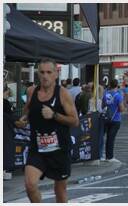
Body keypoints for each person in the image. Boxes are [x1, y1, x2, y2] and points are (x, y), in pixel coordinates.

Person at [18, 58, 79, 203]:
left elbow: (75, 121)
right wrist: (24, 119)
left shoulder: (63, 93)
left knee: (60, 191)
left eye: (49, 72)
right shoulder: (32, 91)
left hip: (59, 150)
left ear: (56, 74)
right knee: (30, 185)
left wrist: (54, 115)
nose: (45, 76)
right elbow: (27, 111)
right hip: (37, 148)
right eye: (42, 72)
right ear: (38, 74)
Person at [101, 79, 124, 161]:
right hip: (115, 119)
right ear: (117, 85)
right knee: (111, 138)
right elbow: (121, 109)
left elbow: (103, 106)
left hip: (106, 118)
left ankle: (101, 154)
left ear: (110, 85)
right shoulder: (118, 96)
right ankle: (109, 156)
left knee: (102, 137)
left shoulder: (105, 94)